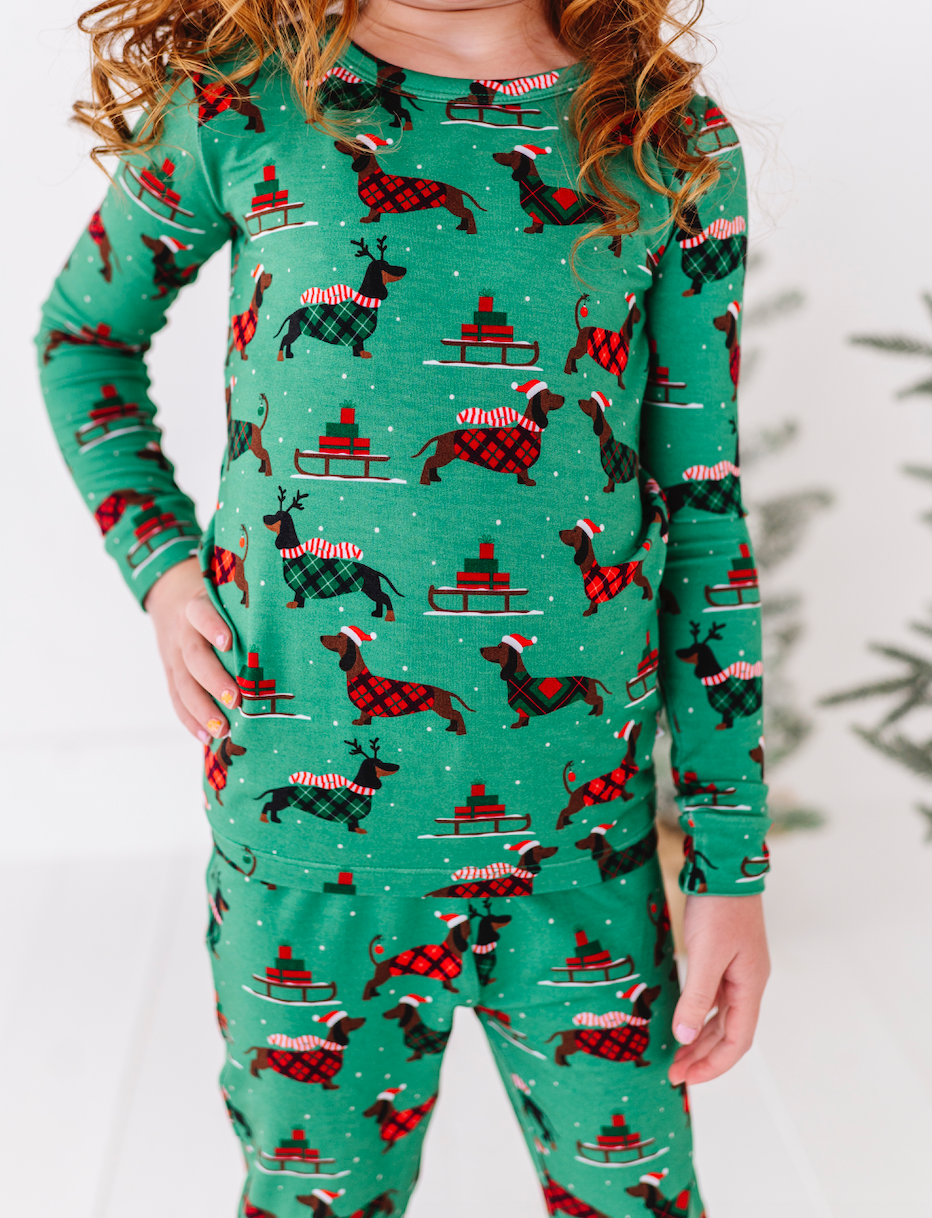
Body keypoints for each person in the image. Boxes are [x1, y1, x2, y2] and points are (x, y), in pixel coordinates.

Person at [36, 0, 771, 1212]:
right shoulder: (241, 101)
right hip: (304, 857)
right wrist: (162, 566)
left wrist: (728, 871)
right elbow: (83, 340)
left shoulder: (660, 140)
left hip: (583, 859)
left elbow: (699, 512)